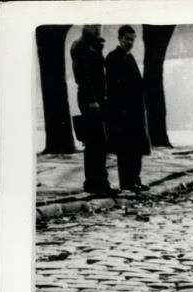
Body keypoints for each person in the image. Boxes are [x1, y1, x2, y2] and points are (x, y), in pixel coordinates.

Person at [105, 26, 151, 193]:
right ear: (119, 39)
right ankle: (127, 182)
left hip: (135, 111)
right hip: (122, 112)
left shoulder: (129, 58)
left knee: (137, 147)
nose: (130, 43)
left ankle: (135, 180)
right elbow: (112, 87)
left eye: (132, 40)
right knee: (125, 149)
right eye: (127, 39)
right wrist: (120, 110)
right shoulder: (112, 58)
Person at [70, 24, 114, 195]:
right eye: (94, 26)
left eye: (99, 26)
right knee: (96, 141)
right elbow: (83, 75)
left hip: (98, 98)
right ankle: (96, 183)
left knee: (98, 142)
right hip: (91, 99)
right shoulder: (81, 46)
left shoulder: (93, 45)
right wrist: (92, 99)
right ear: (85, 26)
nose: (98, 29)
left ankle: (98, 182)